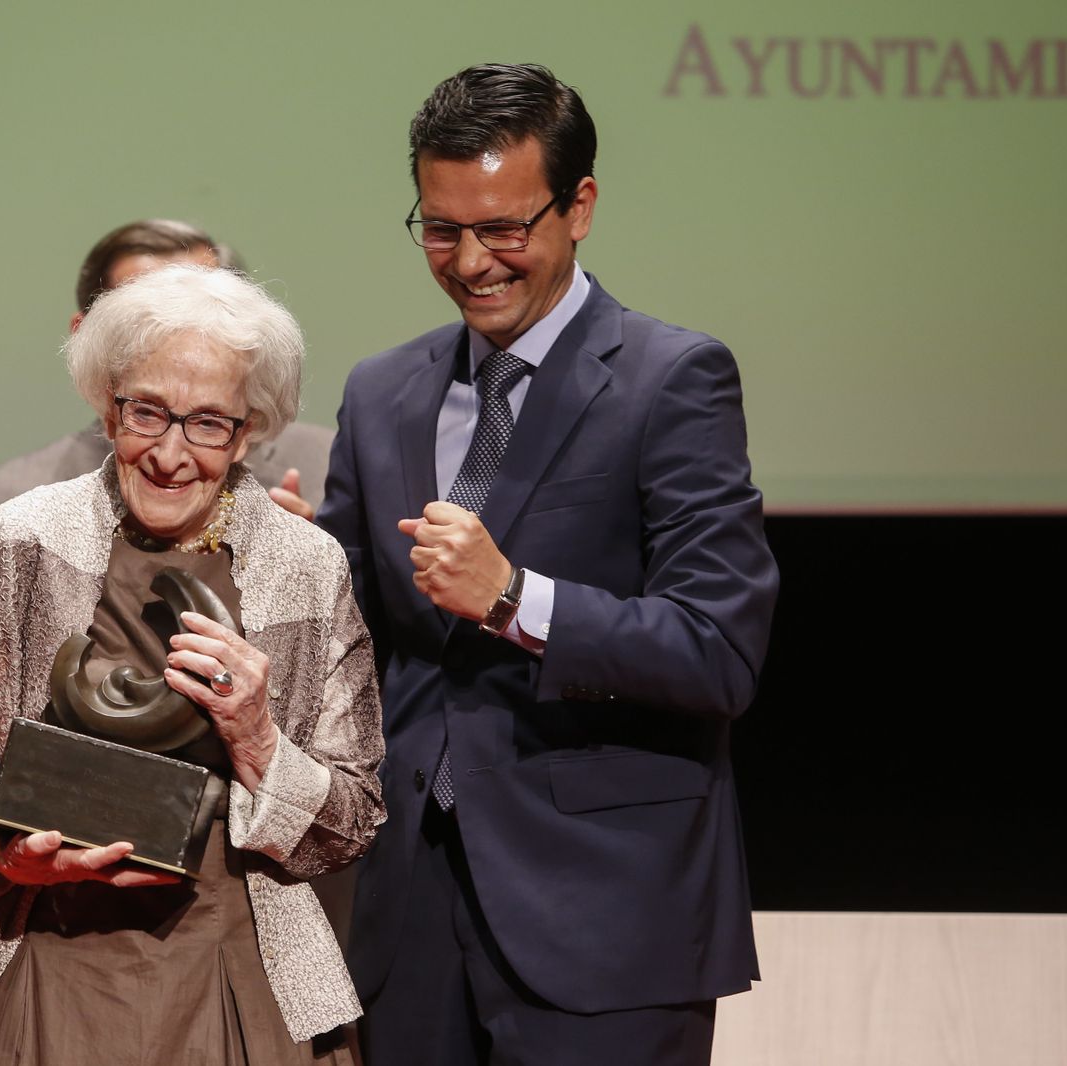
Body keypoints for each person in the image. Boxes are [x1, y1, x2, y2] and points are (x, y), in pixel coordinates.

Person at [315, 63, 779, 1066]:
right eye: (440, 229)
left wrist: (517, 598)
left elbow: (718, 653)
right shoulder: (382, 390)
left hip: (606, 917)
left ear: (580, 207)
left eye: (502, 229)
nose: (470, 260)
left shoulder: (673, 381)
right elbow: (350, 643)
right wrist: (290, 566)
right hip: (411, 916)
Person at [0, 264, 385, 1063]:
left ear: (251, 428)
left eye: (208, 424)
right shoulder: (19, 544)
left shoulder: (307, 565)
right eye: (146, 412)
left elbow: (354, 815)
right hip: (50, 952)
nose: (168, 452)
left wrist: (258, 739)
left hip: (241, 960)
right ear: (106, 400)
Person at [0, 219, 333, 538]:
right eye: (146, 316)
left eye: (204, 305)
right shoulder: (7, 511)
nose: (179, 335)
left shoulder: (329, 465)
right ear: (88, 334)